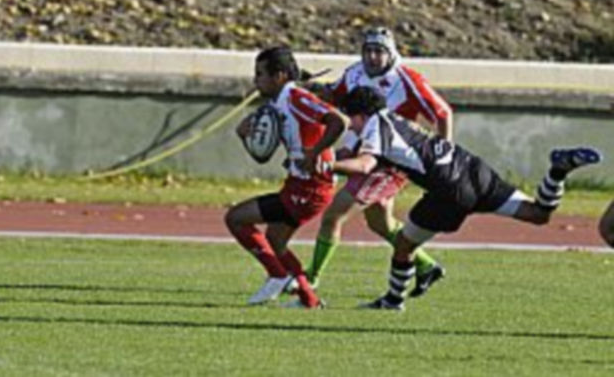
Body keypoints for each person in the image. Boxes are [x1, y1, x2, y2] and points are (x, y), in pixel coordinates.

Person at [333, 86, 602, 311]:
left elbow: (365, 164)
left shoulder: (374, 127)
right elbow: (370, 152)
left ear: (361, 114)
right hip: (474, 169)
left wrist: (326, 165)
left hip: (449, 190)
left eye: (351, 119)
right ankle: (558, 170)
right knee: (538, 214)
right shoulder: (395, 120)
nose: (351, 127)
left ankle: (393, 301)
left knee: (404, 244)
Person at [304, 27, 449, 296]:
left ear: (391, 53)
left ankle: (310, 279)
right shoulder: (355, 72)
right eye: (368, 50)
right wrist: (304, 85)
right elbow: (334, 94)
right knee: (380, 223)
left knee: (333, 216)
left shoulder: (408, 80)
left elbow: (443, 113)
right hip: (365, 153)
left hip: (388, 161)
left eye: (379, 51)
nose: (372, 57)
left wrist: (442, 160)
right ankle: (427, 266)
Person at [225, 45, 345, 309]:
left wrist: (315, 151)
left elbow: (338, 121)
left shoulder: (296, 98)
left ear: (279, 76)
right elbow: (262, 156)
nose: (256, 80)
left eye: (260, 74)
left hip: (311, 187)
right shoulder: (276, 104)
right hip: (299, 184)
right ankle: (309, 299)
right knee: (275, 241)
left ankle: (278, 276)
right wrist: (247, 137)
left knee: (235, 218)